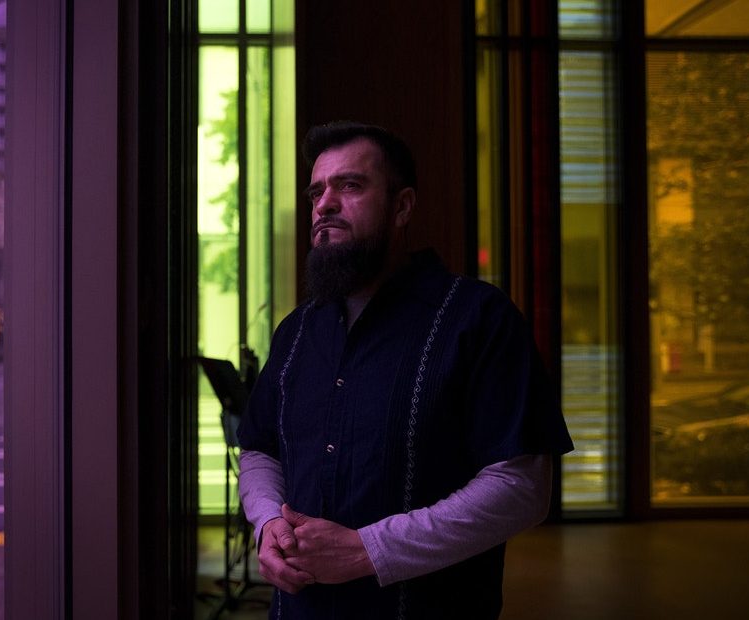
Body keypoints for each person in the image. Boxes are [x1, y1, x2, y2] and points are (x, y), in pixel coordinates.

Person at [237, 121, 574, 619]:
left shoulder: (478, 318)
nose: (324, 204)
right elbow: (260, 449)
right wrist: (268, 522)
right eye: (316, 191)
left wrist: (369, 550)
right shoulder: (295, 332)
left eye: (349, 186)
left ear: (402, 207)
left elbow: (521, 487)